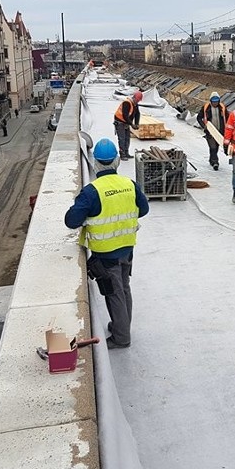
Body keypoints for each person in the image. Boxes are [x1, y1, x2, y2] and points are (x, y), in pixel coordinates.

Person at [64, 138, 149, 349]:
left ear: (95, 163)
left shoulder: (92, 191)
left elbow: (70, 221)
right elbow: (144, 209)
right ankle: (122, 327)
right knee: (124, 289)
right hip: (127, 248)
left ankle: (121, 337)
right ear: (117, 162)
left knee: (114, 293)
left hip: (106, 254)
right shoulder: (129, 185)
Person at [197, 92, 228, 170]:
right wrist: (204, 127)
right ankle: (215, 162)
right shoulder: (206, 108)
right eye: (213, 102)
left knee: (216, 147)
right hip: (210, 131)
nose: (215, 103)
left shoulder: (222, 108)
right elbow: (199, 118)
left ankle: (211, 160)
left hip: (220, 131)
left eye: (216, 101)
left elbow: (228, 118)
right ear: (211, 101)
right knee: (213, 147)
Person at [113, 90, 143, 161]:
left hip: (126, 122)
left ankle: (126, 152)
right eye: (137, 100)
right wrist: (131, 124)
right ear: (134, 98)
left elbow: (137, 114)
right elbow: (125, 115)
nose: (138, 102)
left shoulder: (135, 104)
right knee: (122, 138)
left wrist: (136, 124)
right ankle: (122, 154)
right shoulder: (127, 103)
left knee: (127, 138)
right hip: (120, 122)